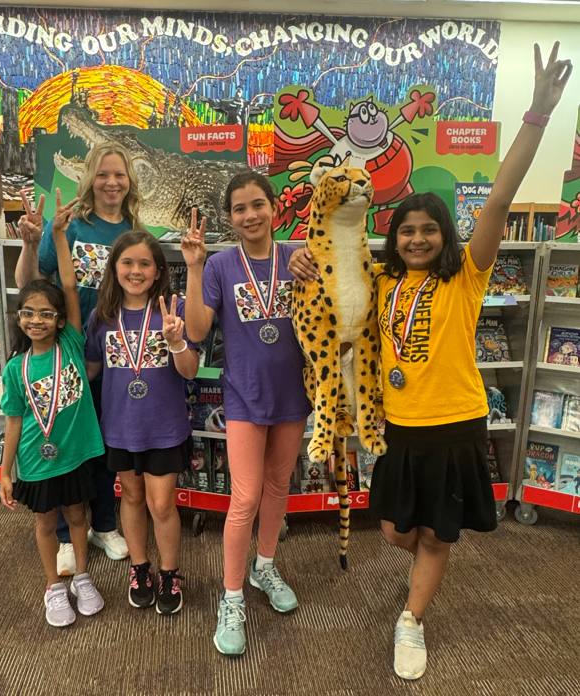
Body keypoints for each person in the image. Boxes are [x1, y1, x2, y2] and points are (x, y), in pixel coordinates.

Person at [288, 42, 572, 681]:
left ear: (446, 236)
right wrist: (297, 264)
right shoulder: (383, 277)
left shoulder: (466, 276)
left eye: (429, 230)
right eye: (408, 231)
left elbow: (498, 199)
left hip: (455, 423)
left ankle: (411, 619)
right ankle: (423, 567)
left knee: (437, 536)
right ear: (396, 238)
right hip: (396, 426)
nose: (417, 238)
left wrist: (537, 117)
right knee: (392, 530)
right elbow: (332, 274)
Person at [182, 172, 312, 655]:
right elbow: (196, 331)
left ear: (275, 207)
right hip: (243, 395)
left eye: (258, 204)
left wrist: (313, 266)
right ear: (229, 218)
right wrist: (194, 268)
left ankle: (265, 565)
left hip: (292, 395)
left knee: (280, 487)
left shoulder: (296, 256)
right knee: (244, 498)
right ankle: (231, 595)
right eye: (239, 209)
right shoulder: (219, 265)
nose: (250, 215)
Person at [15, 141, 139, 575]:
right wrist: (34, 242)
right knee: (65, 443)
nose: (111, 182)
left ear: (130, 180)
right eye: (102, 174)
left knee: (105, 446)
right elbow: (31, 283)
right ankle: (69, 535)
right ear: (89, 178)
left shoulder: (134, 229)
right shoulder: (69, 224)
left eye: (119, 174)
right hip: (66, 357)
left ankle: (105, 524)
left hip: (116, 359)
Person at [0, 190, 106, 627]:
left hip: (75, 453)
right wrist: (5, 472)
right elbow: (12, 422)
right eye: (28, 313)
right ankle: (54, 586)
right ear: (19, 317)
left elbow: (67, 286)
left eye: (46, 314)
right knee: (45, 524)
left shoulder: (72, 344)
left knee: (79, 515)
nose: (37, 320)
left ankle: (82, 576)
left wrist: (59, 236)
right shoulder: (15, 368)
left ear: (60, 320)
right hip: (36, 461)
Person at [85, 231, 199, 615]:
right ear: (115, 269)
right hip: (119, 427)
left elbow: (190, 371)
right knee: (130, 497)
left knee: (162, 503)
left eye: (145, 264)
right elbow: (91, 370)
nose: (136, 271)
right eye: (127, 263)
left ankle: (169, 572)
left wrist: (176, 342)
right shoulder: (101, 316)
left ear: (157, 271)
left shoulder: (175, 307)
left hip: (164, 427)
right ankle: (139, 568)